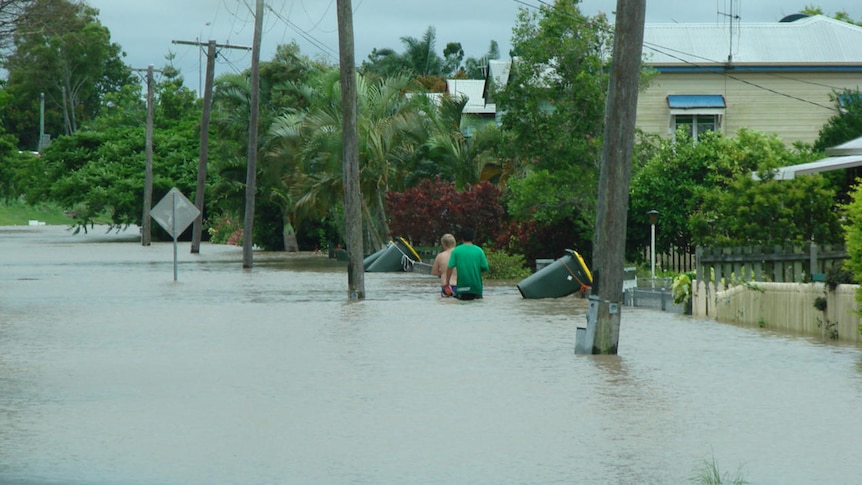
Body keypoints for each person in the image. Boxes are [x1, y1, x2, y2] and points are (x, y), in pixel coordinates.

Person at [443, 227, 489, 300]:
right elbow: (485, 268)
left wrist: (447, 282)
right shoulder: (479, 251)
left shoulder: (456, 251)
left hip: (462, 288)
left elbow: (450, 267)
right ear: (473, 238)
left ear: (462, 238)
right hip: (476, 288)